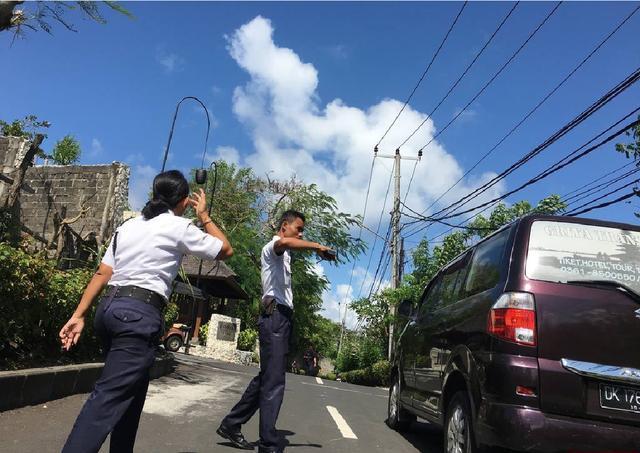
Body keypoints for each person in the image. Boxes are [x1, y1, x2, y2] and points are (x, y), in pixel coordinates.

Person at [59, 170, 233, 453]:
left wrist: (79, 314)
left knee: (132, 394)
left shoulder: (127, 226)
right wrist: (204, 215)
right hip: (138, 315)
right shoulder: (179, 226)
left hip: (110, 310)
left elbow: (103, 272)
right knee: (108, 399)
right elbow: (225, 249)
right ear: (184, 200)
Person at [217, 210, 335, 453]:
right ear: (284, 226)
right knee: (274, 383)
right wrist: (316, 246)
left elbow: (289, 246)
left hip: (281, 319)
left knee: (267, 378)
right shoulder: (273, 247)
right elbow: (283, 242)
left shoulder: (284, 257)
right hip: (275, 318)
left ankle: (232, 423)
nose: (301, 233)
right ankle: (269, 444)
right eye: (298, 229)